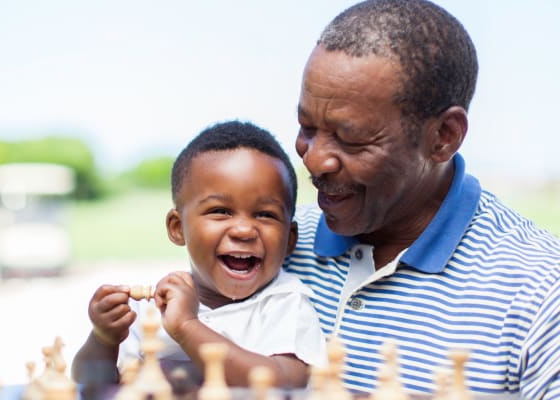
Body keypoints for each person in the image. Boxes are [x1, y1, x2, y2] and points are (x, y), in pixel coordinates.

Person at [282, 0, 560, 399]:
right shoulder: (277, 245)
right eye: (307, 127)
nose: (315, 159)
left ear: (444, 136)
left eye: (351, 138)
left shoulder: (540, 293)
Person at [71, 120, 327, 389]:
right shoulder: (150, 308)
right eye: (220, 211)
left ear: (290, 239)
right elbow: (83, 385)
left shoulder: (285, 303)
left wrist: (187, 326)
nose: (243, 230)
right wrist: (103, 340)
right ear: (177, 228)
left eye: (265, 215)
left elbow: (286, 381)